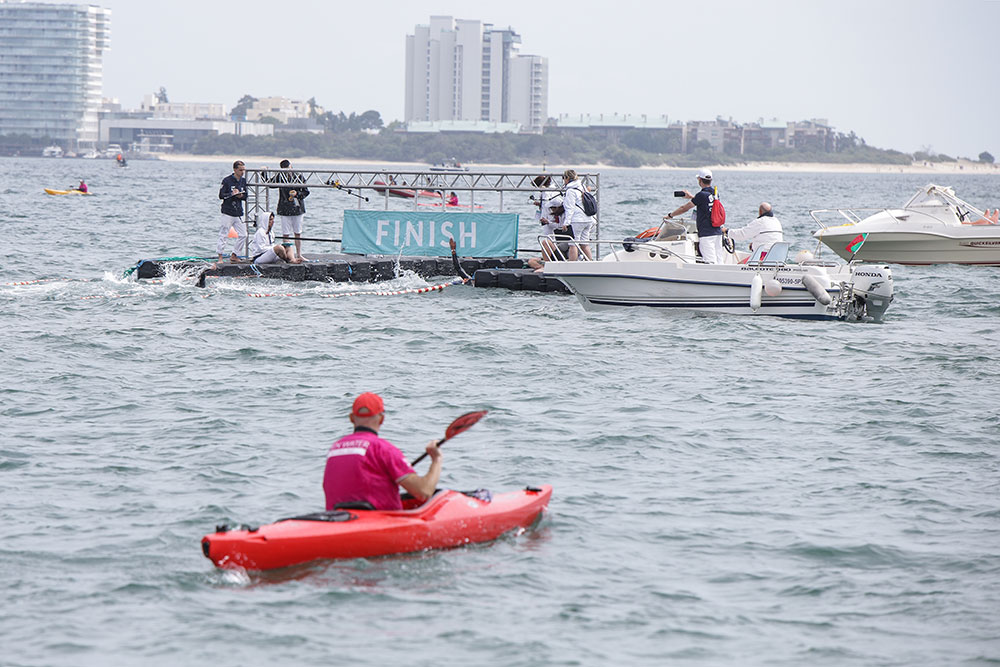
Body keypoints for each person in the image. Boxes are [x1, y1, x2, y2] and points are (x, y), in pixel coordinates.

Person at [323, 392, 443, 511]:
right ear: (381, 419)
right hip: (377, 523)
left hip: (338, 520)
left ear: (351, 418)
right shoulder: (383, 449)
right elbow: (424, 492)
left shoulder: (335, 448)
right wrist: (436, 460)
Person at [663, 168, 724, 263]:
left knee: (710, 261)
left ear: (700, 180)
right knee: (719, 259)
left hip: (706, 233)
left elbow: (684, 208)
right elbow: (705, 201)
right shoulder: (715, 193)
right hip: (717, 232)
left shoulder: (701, 195)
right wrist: (692, 197)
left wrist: (670, 215)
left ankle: (712, 277)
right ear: (710, 180)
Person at [275, 158, 310, 261]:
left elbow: (306, 192)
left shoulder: (299, 176)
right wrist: (264, 173)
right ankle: (288, 255)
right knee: (285, 233)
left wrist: (297, 194)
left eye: (288, 168)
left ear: (291, 166)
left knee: (297, 232)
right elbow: (270, 184)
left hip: (298, 208)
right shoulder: (280, 176)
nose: (287, 171)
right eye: (284, 169)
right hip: (285, 207)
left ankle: (299, 254)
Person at [560, 169, 594, 261]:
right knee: (584, 244)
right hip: (588, 219)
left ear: (567, 178)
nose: (563, 180)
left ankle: (572, 265)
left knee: (573, 244)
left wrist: (566, 223)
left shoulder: (570, 190)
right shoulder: (582, 187)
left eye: (564, 178)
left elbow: (569, 208)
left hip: (577, 220)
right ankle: (590, 263)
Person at [217, 160, 247, 263]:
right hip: (227, 211)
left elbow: (246, 196)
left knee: (244, 234)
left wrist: (241, 195)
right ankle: (220, 257)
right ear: (235, 170)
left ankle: (235, 254)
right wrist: (231, 194)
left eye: (243, 170)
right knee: (224, 234)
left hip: (238, 212)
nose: (242, 172)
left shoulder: (243, 181)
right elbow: (221, 195)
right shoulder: (227, 180)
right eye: (240, 170)